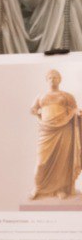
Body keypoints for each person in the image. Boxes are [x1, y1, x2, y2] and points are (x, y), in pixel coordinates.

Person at [29, 69, 82, 199]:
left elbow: (75, 109)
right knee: (41, 162)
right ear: (46, 80)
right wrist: (37, 113)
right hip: (46, 130)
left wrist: (77, 112)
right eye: (50, 78)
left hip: (64, 129)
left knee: (62, 161)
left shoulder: (67, 96)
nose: (53, 79)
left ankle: (60, 189)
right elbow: (33, 109)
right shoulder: (41, 96)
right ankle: (38, 187)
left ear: (60, 80)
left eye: (55, 77)